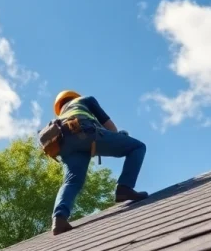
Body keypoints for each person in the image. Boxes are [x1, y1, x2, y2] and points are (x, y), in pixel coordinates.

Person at [50, 90, 148, 235]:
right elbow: (111, 129)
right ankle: (124, 188)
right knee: (137, 147)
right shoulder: (85, 100)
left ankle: (59, 219)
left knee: (71, 181)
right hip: (84, 131)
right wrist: (120, 136)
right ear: (75, 96)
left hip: (63, 142)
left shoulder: (62, 116)